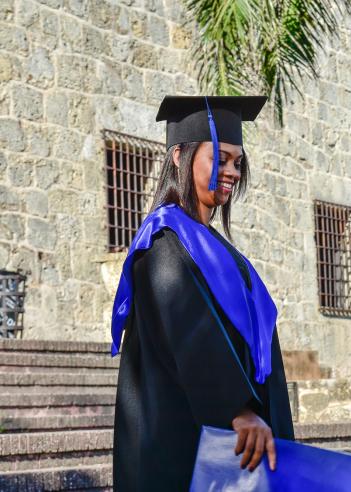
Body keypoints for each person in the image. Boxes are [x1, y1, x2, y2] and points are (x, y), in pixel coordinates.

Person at [111, 95, 294, 491]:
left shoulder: (220, 250)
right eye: (221, 158)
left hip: (228, 450)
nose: (232, 171)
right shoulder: (162, 241)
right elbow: (189, 329)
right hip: (183, 444)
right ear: (179, 156)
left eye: (237, 162)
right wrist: (239, 409)